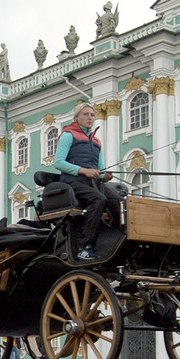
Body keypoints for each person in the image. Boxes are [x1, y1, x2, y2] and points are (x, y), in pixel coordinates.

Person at [52, 102, 121, 261]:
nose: (90, 118)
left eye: (92, 115)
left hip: (92, 183)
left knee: (120, 203)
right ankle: (85, 246)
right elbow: (59, 163)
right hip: (72, 182)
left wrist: (105, 176)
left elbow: (100, 169)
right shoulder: (68, 135)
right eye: (85, 114)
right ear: (76, 118)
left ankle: (119, 242)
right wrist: (83, 171)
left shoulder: (96, 141)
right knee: (99, 199)